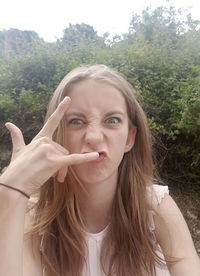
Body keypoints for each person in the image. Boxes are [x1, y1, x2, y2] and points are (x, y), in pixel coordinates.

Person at [0, 64, 199, 276]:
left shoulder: (156, 207)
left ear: (129, 138)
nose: (93, 137)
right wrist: (11, 192)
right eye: (76, 121)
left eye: (112, 120)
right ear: (57, 135)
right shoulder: (32, 217)